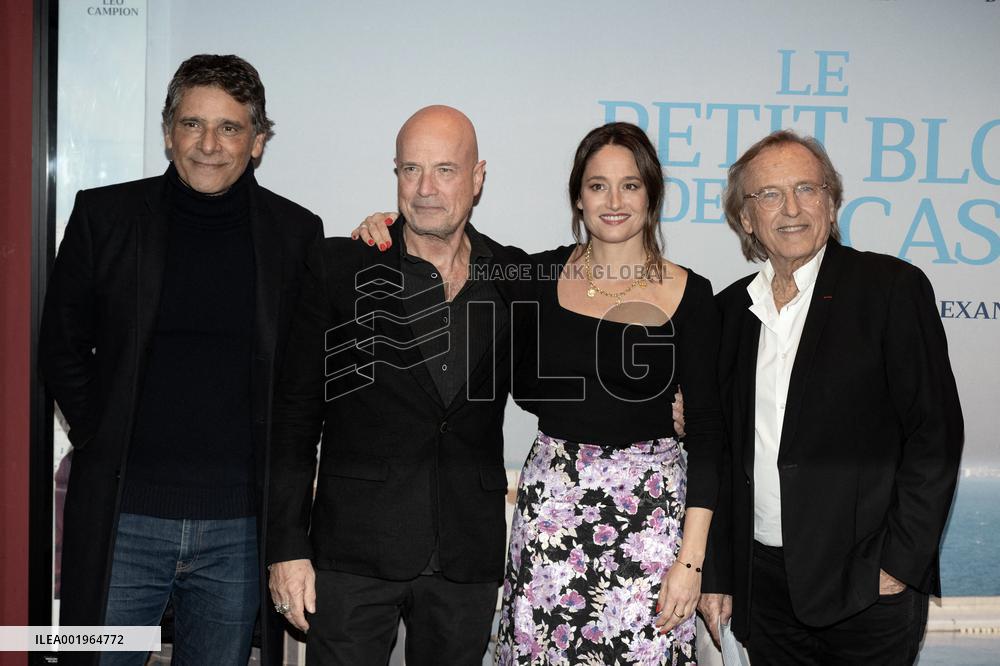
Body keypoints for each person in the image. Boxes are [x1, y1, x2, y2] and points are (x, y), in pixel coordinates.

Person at [39, 54, 322, 665]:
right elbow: (60, 347)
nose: (209, 145)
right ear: (168, 132)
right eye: (192, 124)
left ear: (259, 141)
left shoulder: (297, 234)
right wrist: (101, 433)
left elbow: (302, 379)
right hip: (123, 519)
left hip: (239, 530)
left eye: (230, 127)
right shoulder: (104, 217)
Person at [265, 105, 536, 665]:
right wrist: (286, 549)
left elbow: (560, 377)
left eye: (445, 170)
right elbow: (293, 417)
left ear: (478, 176)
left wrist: (671, 408)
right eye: (410, 170)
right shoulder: (340, 266)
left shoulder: (513, 276)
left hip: (465, 555)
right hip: (352, 553)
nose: (426, 188)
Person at [699, 129, 964, 664]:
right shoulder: (728, 312)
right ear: (745, 218)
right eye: (769, 194)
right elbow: (726, 455)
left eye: (807, 188)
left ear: (832, 200)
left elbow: (934, 434)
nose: (791, 208)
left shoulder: (890, 288)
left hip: (866, 587)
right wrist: (721, 575)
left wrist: (898, 565)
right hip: (764, 588)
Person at [494, 123, 723, 664]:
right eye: (598, 186)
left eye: (631, 185)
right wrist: (393, 224)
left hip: (653, 528)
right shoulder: (537, 276)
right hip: (551, 524)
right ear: (578, 197)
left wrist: (690, 562)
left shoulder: (694, 295)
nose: (614, 201)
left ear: (652, 195)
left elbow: (711, 435)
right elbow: (455, 253)